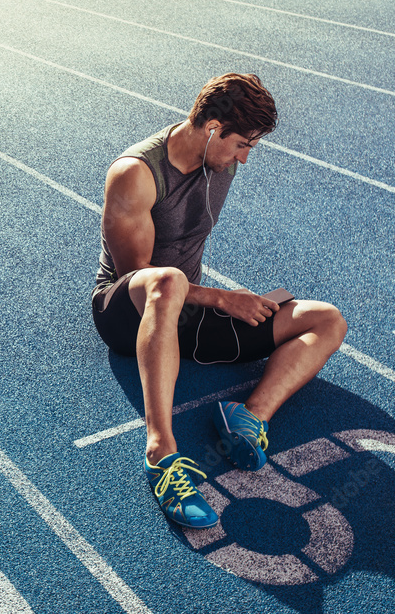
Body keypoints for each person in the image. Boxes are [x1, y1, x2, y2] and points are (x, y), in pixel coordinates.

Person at [91, 73, 347, 528]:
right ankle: (161, 454)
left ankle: (248, 418)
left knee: (326, 320)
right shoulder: (137, 173)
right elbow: (141, 276)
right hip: (128, 312)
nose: (244, 159)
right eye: (242, 145)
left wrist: (223, 302)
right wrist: (224, 300)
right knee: (167, 282)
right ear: (212, 129)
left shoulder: (219, 160)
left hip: (191, 307)